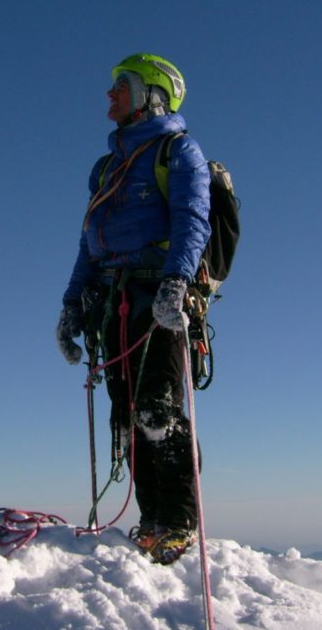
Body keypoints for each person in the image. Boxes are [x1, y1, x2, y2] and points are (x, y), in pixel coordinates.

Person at [56, 53, 211, 564]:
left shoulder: (178, 150)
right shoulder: (107, 167)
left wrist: (176, 283)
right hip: (112, 297)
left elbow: (193, 220)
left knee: (156, 410)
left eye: (121, 85)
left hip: (156, 292)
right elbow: (88, 242)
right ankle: (152, 520)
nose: (110, 93)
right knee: (126, 414)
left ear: (151, 94)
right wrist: (72, 303)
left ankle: (178, 522)